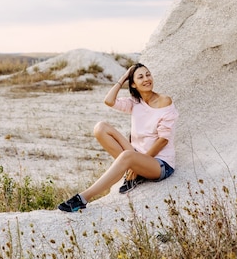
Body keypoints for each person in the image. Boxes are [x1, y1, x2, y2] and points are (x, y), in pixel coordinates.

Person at [57, 63, 178, 212]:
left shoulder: (164, 101)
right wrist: (123, 78)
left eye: (148, 74)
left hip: (160, 164)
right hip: (136, 155)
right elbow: (109, 101)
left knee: (128, 156)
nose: (147, 79)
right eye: (140, 77)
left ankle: (82, 198)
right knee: (100, 128)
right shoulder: (135, 102)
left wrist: (141, 161)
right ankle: (135, 170)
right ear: (133, 84)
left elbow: (163, 139)